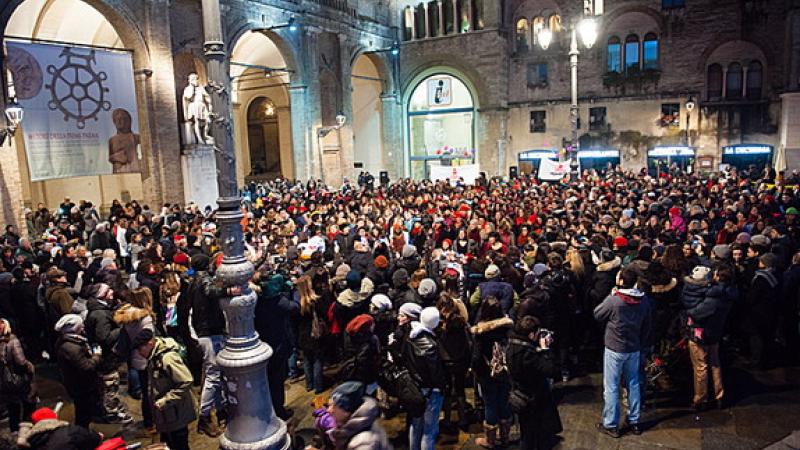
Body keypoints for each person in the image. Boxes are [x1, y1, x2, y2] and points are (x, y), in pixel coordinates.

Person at [593, 267, 651, 438]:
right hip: (634, 348)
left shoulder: (615, 301)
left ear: (620, 281)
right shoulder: (644, 300)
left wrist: (611, 295)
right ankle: (634, 420)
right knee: (633, 384)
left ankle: (611, 424)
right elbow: (647, 325)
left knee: (611, 386)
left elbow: (597, 314)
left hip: (614, 349)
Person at [186, 253, 231, 436]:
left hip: (203, 332)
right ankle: (204, 416)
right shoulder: (204, 280)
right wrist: (228, 292)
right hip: (209, 333)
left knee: (217, 374)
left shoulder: (192, 281)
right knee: (213, 376)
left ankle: (221, 411)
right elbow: (210, 291)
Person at [684, 265, 737, 410]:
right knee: (715, 364)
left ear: (719, 276)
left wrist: (689, 311)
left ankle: (700, 398)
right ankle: (719, 395)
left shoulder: (714, 298)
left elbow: (696, 313)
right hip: (716, 333)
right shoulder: (729, 294)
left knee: (701, 367)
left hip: (701, 334)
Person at [133, 329, 196, 450]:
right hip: (166, 416)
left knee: (179, 445)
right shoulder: (154, 357)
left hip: (176, 414)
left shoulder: (167, 358)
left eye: (141, 349)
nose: (139, 353)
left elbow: (186, 380)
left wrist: (165, 400)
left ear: (150, 343)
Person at [507, 316, 562, 450]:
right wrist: (545, 350)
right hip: (533, 400)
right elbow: (551, 370)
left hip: (519, 395)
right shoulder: (528, 354)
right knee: (531, 436)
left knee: (526, 432)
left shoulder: (512, 346)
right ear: (531, 334)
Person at [470, 297, 513, 448]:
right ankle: (505, 437)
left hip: (486, 373)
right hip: (506, 371)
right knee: (504, 400)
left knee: (490, 403)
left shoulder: (480, 332)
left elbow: (476, 357)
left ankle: (491, 440)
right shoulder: (508, 327)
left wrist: (475, 371)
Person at [403, 306, 445, 450]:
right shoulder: (431, 346)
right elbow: (436, 373)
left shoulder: (410, 336)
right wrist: (442, 388)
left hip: (414, 388)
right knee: (429, 431)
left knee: (415, 424)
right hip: (430, 391)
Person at [53, 314, 101, 428]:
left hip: (76, 384)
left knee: (83, 410)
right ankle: (82, 435)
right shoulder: (71, 348)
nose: (83, 326)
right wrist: (97, 356)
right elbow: (87, 367)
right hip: (81, 386)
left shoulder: (66, 341)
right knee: (83, 413)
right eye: (81, 325)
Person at [318, 381, 392, 450]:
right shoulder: (361, 423)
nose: (329, 410)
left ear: (346, 410)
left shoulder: (366, 443)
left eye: (333, 406)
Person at [0, 318, 36, 433]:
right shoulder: (12, 341)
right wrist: (30, 367)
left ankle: (14, 431)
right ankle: (26, 431)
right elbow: (21, 361)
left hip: (3, 381)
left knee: (12, 407)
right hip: (17, 379)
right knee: (28, 402)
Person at [16, 407, 103, 450]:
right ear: (54, 418)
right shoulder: (71, 431)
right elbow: (93, 440)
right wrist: (99, 436)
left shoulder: (31, 440)